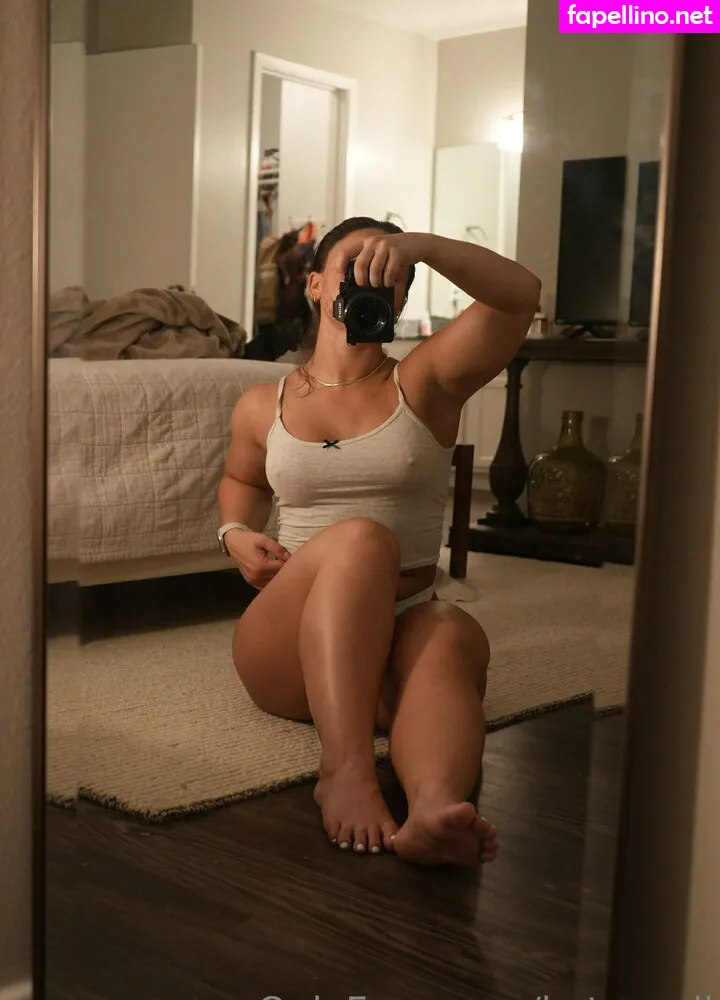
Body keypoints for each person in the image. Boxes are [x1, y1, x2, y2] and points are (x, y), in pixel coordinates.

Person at [218, 217, 540, 867]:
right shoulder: (260, 403)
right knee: (363, 541)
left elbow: (519, 295)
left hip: (402, 627)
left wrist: (419, 246)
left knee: (450, 629)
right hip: (290, 646)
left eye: (389, 274)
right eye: (354, 266)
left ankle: (434, 811)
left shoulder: (425, 380)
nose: (371, 280)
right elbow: (240, 481)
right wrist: (235, 534)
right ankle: (345, 768)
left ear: (401, 296)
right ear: (315, 285)